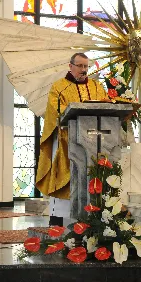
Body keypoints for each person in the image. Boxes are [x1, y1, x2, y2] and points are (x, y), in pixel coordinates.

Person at [36, 53, 108, 226]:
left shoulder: (96, 86)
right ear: (71, 66)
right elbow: (56, 112)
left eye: (86, 67)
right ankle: (59, 222)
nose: (83, 70)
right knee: (64, 179)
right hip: (65, 141)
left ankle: (90, 219)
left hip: (92, 142)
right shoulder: (59, 87)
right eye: (80, 66)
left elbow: (105, 105)